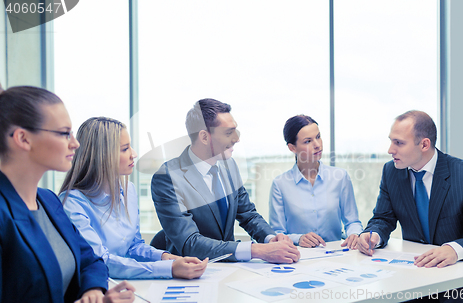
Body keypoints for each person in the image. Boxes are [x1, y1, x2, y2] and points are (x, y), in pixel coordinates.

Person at [0, 85, 135, 303]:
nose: (75, 143)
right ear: (23, 138)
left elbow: (90, 261)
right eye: (64, 133)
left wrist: (93, 292)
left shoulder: (48, 200)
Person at [357, 110, 463, 302]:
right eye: (391, 141)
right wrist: (373, 235)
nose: (390, 149)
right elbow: (383, 218)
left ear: (424, 144)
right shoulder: (391, 171)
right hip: (411, 274)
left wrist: (453, 250)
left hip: (457, 278)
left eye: (399, 143)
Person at [151, 98, 300, 263]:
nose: (237, 138)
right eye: (229, 133)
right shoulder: (167, 177)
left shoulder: (229, 165)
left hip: (229, 269)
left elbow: (248, 215)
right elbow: (190, 243)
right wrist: (256, 250)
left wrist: (270, 239)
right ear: (204, 137)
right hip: (190, 273)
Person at [59, 117, 208, 280]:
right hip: (96, 288)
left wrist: (166, 257)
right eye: (124, 149)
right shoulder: (72, 204)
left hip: (127, 283)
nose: (134, 154)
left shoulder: (128, 190)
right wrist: (168, 269)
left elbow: (133, 246)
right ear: (102, 156)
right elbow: (101, 261)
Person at [269, 115, 363, 248]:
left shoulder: (340, 177)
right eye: (308, 141)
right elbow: (277, 234)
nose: (317, 145)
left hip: (336, 258)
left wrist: (355, 234)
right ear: (292, 148)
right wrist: (299, 238)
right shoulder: (280, 184)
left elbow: (353, 222)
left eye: (318, 137)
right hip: (298, 259)